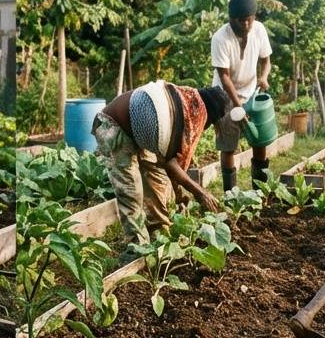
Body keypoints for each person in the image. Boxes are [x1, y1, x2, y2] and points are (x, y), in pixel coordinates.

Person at [92, 78, 231, 244]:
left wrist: (179, 194)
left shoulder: (187, 105)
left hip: (139, 133)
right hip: (114, 127)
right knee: (131, 191)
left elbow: (169, 164)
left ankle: (159, 235)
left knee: (158, 180)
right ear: (207, 116)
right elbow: (171, 164)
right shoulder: (182, 110)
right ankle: (137, 249)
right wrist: (200, 193)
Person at [210, 0, 274, 192]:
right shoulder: (221, 38)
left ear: (254, 17)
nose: (246, 24)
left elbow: (266, 61)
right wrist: (238, 107)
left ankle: (259, 191)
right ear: (231, 19)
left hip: (252, 92)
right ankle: (231, 195)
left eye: (249, 19)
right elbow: (224, 77)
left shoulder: (259, 30)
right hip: (225, 95)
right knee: (228, 146)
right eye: (241, 20)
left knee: (260, 138)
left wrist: (264, 77)